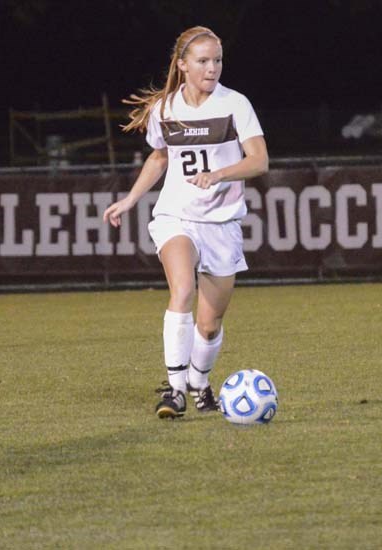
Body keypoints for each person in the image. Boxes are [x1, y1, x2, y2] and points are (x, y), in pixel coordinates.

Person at [103, 26, 269, 419]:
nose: (212, 68)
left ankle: (198, 381)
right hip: (176, 215)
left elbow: (259, 161)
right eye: (203, 61)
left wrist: (220, 174)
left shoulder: (235, 104)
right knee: (182, 291)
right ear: (182, 65)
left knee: (209, 326)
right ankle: (175, 390)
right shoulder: (165, 108)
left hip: (222, 224)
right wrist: (130, 199)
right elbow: (160, 157)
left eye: (217, 60)